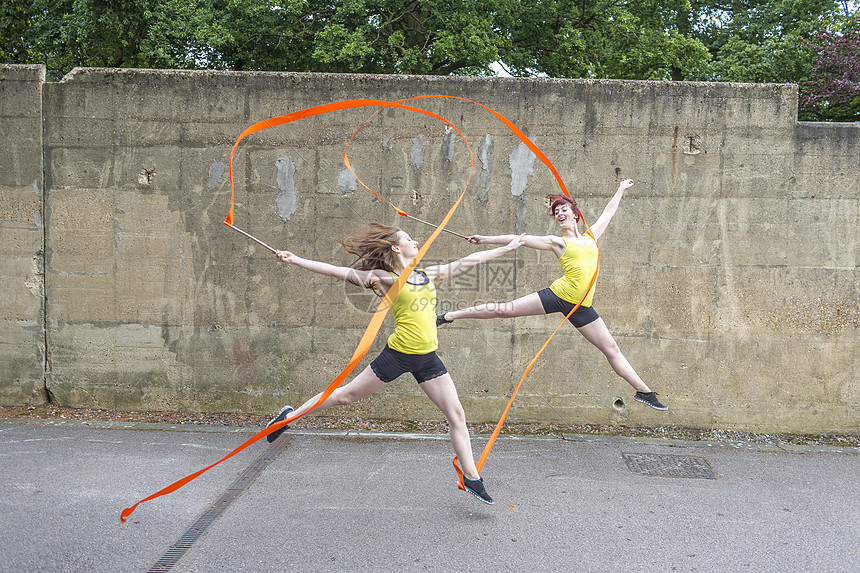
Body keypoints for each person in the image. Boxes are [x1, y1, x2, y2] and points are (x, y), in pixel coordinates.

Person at [265, 223, 525, 504]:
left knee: (457, 415)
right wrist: (296, 260)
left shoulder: (428, 275)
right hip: (399, 355)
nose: (416, 242)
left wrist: (506, 248)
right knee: (345, 397)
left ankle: (472, 478)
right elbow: (339, 271)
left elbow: (468, 261)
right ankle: (287, 419)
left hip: (428, 358)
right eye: (409, 239)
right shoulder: (386, 278)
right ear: (396, 248)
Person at [436, 179, 667, 411]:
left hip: (582, 307)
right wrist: (484, 239)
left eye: (563, 209)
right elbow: (521, 239)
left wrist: (620, 189)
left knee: (612, 349)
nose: (559, 214)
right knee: (503, 309)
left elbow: (608, 212)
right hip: (558, 295)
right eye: (556, 212)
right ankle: (450, 315)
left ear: (576, 214)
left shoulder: (591, 237)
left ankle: (644, 392)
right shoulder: (557, 242)